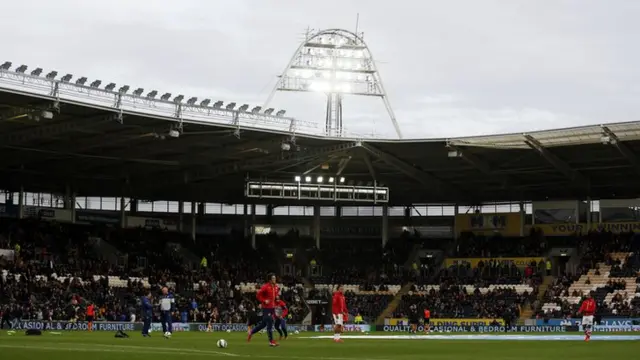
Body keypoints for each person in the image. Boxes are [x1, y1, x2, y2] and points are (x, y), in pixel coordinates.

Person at [247, 274, 279, 347]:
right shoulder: (265, 287)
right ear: (270, 280)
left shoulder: (276, 287)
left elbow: (275, 296)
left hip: (272, 308)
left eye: (275, 278)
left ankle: (251, 332)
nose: (275, 279)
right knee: (270, 322)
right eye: (273, 278)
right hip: (266, 308)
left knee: (263, 324)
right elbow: (258, 295)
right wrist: (264, 300)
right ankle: (271, 341)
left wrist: (276, 299)